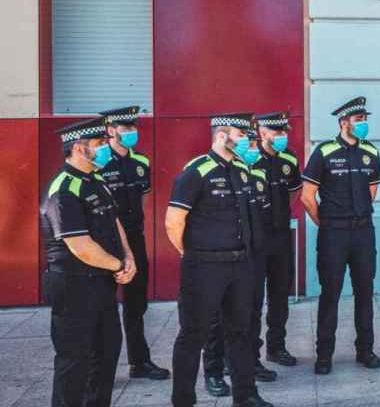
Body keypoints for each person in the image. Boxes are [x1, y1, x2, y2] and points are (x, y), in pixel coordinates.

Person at [166, 113, 273, 407]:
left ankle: (245, 394)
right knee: (193, 335)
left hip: (240, 266)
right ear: (221, 135)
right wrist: (193, 255)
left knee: (241, 332)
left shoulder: (242, 171)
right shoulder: (196, 171)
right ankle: (183, 400)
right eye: (240, 136)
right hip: (204, 266)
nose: (245, 141)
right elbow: (173, 222)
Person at [42, 117, 136, 407]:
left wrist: (128, 256)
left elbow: (114, 220)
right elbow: (80, 246)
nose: (107, 147)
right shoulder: (64, 188)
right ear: (80, 149)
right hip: (73, 286)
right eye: (100, 144)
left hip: (101, 285)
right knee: (74, 365)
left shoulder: (96, 179)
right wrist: (118, 266)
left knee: (105, 356)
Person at [301, 97, 380, 373]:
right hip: (333, 234)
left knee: (365, 292)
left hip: (363, 232)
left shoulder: (370, 152)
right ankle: (324, 355)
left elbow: (372, 191)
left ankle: (366, 350)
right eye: (358, 120)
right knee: (330, 294)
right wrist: (325, 222)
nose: (363, 124)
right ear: (343, 123)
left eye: (364, 119)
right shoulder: (324, 152)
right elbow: (308, 197)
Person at [96, 106, 169, 380]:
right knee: (102, 306)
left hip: (134, 238)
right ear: (111, 130)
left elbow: (142, 199)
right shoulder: (99, 162)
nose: (131, 133)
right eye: (125, 128)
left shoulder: (142, 162)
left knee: (136, 305)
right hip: (104, 241)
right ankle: (101, 371)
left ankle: (140, 362)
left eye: (133, 128)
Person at [202, 133, 277, 396]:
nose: (252, 149)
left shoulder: (255, 177)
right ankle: (214, 370)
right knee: (216, 316)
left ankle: (250, 362)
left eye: (256, 145)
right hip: (222, 257)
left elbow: (262, 216)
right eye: (250, 145)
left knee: (251, 311)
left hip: (253, 257)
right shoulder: (209, 172)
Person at [253, 112, 303, 367]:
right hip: (255, 240)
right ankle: (250, 355)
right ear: (263, 133)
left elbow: (295, 192)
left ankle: (276, 347)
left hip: (281, 236)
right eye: (277, 132)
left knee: (280, 295)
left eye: (285, 132)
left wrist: (279, 214)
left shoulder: (289, 158)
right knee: (250, 299)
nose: (283, 137)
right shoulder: (249, 159)